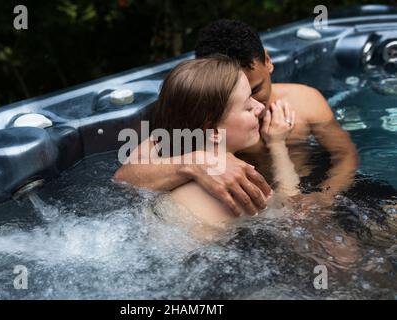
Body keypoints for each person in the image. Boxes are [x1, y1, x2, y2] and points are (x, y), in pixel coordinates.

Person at [114, 19, 358, 216]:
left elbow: (345, 155)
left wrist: (327, 197)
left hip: (306, 192)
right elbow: (125, 177)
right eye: (244, 98)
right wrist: (195, 162)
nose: (258, 107)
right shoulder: (194, 120)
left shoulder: (306, 102)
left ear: (268, 61)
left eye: (256, 90)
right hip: (269, 209)